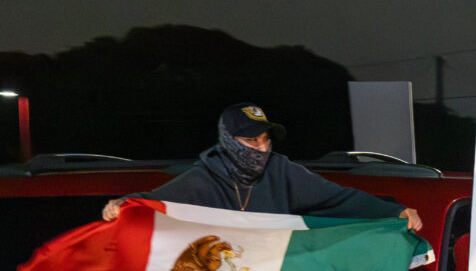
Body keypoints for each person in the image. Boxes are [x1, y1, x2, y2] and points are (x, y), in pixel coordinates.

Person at [102, 103, 421, 231]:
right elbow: (159, 202)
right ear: (229, 141)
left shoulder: (282, 172)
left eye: (266, 140)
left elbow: (339, 199)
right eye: (252, 141)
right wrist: (123, 205)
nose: (262, 148)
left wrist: (394, 212)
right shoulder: (205, 178)